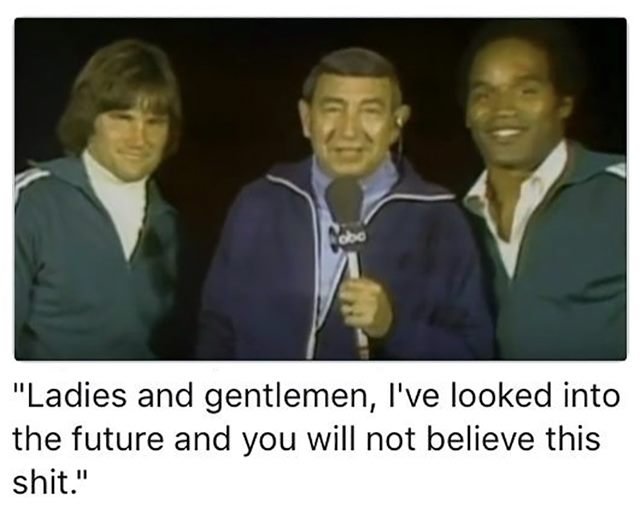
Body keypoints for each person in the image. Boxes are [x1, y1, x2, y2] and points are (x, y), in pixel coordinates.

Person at [197, 47, 494, 360]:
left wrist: (393, 328)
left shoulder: (438, 219)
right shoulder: (259, 204)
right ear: (306, 119)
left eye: (370, 111)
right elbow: (217, 328)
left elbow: (474, 355)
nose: (349, 131)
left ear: (396, 124)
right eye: (333, 109)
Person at [461, 20, 626, 360]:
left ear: (563, 103)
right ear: (467, 114)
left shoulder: (620, 191)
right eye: (483, 94)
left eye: (526, 91)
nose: (502, 109)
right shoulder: (454, 222)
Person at [15, 39, 185, 360]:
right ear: (88, 119)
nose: (139, 139)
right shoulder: (33, 201)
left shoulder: (168, 223)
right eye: (122, 118)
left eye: (154, 122)